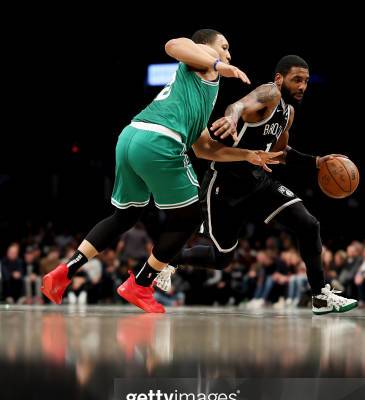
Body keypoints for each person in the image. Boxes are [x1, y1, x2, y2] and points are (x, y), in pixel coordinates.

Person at [41, 29, 280, 313]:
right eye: (224, 47)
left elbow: (204, 148)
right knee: (190, 216)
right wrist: (218, 64)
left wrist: (248, 155)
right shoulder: (202, 64)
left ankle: (63, 273)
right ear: (203, 48)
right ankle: (141, 284)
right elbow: (173, 44)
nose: (229, 54)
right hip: (158, 141)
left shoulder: (200, 90)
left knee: (124, 215)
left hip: (131, 138)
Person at [158, 55, 358, 315]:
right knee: (221, 260)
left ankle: (320, 296)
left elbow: (279, 153)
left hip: (257, 182)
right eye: (297, 79)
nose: (302, 86)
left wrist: (316, 162)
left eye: (306, 82)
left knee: (309, 225)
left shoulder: (288, 113)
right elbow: (238, 106)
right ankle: (169, 258)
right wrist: (231, 118)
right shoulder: (270, 92)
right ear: (279, 78)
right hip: (224, 185)